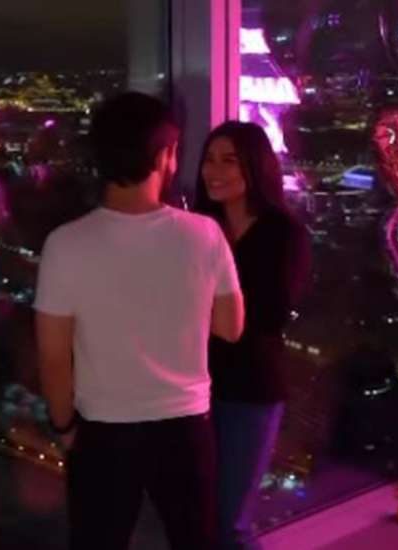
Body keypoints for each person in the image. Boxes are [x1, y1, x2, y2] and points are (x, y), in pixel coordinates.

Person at [35, 92, 245, 550]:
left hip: (103, 430)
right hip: (186, 428)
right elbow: (231, 327)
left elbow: (53, 358)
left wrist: (64, 427)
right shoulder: (204, 234)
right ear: (165, 154)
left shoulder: (65, 244)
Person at [195, 121, 312, 549]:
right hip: (195, 389)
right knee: (199, 514)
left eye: (229, 160)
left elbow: (270, 315)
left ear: (254, 166)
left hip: (250, 391)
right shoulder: (200, 228)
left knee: (231, 523)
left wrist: (202, 311)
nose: (214, 171)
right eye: (209, 159)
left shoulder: (282, 232)